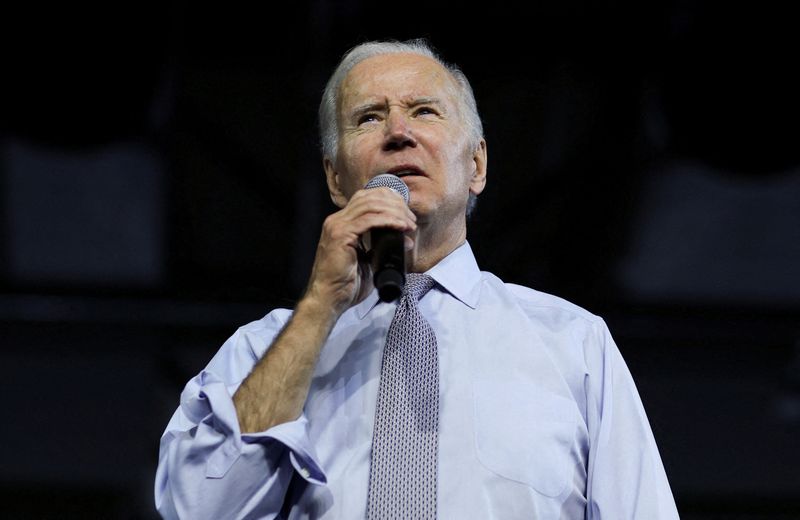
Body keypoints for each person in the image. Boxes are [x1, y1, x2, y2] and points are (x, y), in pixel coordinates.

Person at [155, 38, 679, 519]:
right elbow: (197, 507)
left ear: (477, 164)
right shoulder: (262, 348)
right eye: (368, 118)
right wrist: (318, 306)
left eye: (424, 111)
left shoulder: (573, 344)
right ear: (336, 179)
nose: (398, 133)